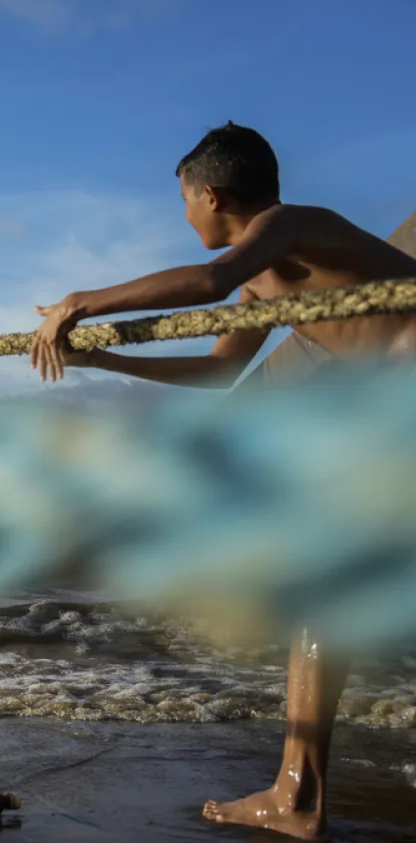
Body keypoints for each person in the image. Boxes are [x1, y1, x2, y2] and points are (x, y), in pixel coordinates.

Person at [28, 121, 416, 839]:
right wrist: (101, 362)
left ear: (211, 194)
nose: (183, 218)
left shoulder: (292, 225)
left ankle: (299, 797)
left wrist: (81, 299)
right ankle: (296, 794)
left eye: (182, 202)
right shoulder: (268, 276)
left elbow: (209, 279)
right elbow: (216, 368)